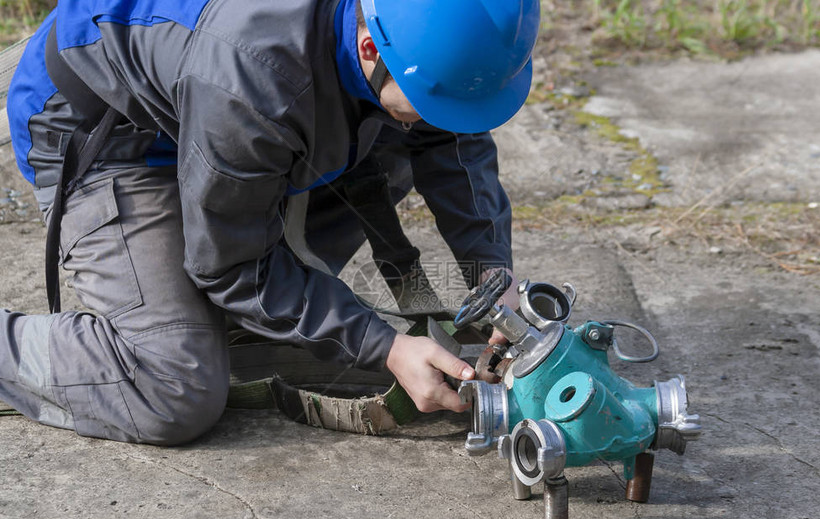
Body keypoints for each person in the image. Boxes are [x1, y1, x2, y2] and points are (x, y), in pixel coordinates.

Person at [0, 0, 540, 444]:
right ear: (371, 47)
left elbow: (451, 140)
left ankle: (223, 297)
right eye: (435, 100)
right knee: (174, 386)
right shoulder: (254, 80)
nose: (444, 117)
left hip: (218, 101)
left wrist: (495, 278)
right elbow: (233, 269)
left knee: (399, 135)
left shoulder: (406, 30)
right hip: (115, 137)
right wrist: (387, 348)